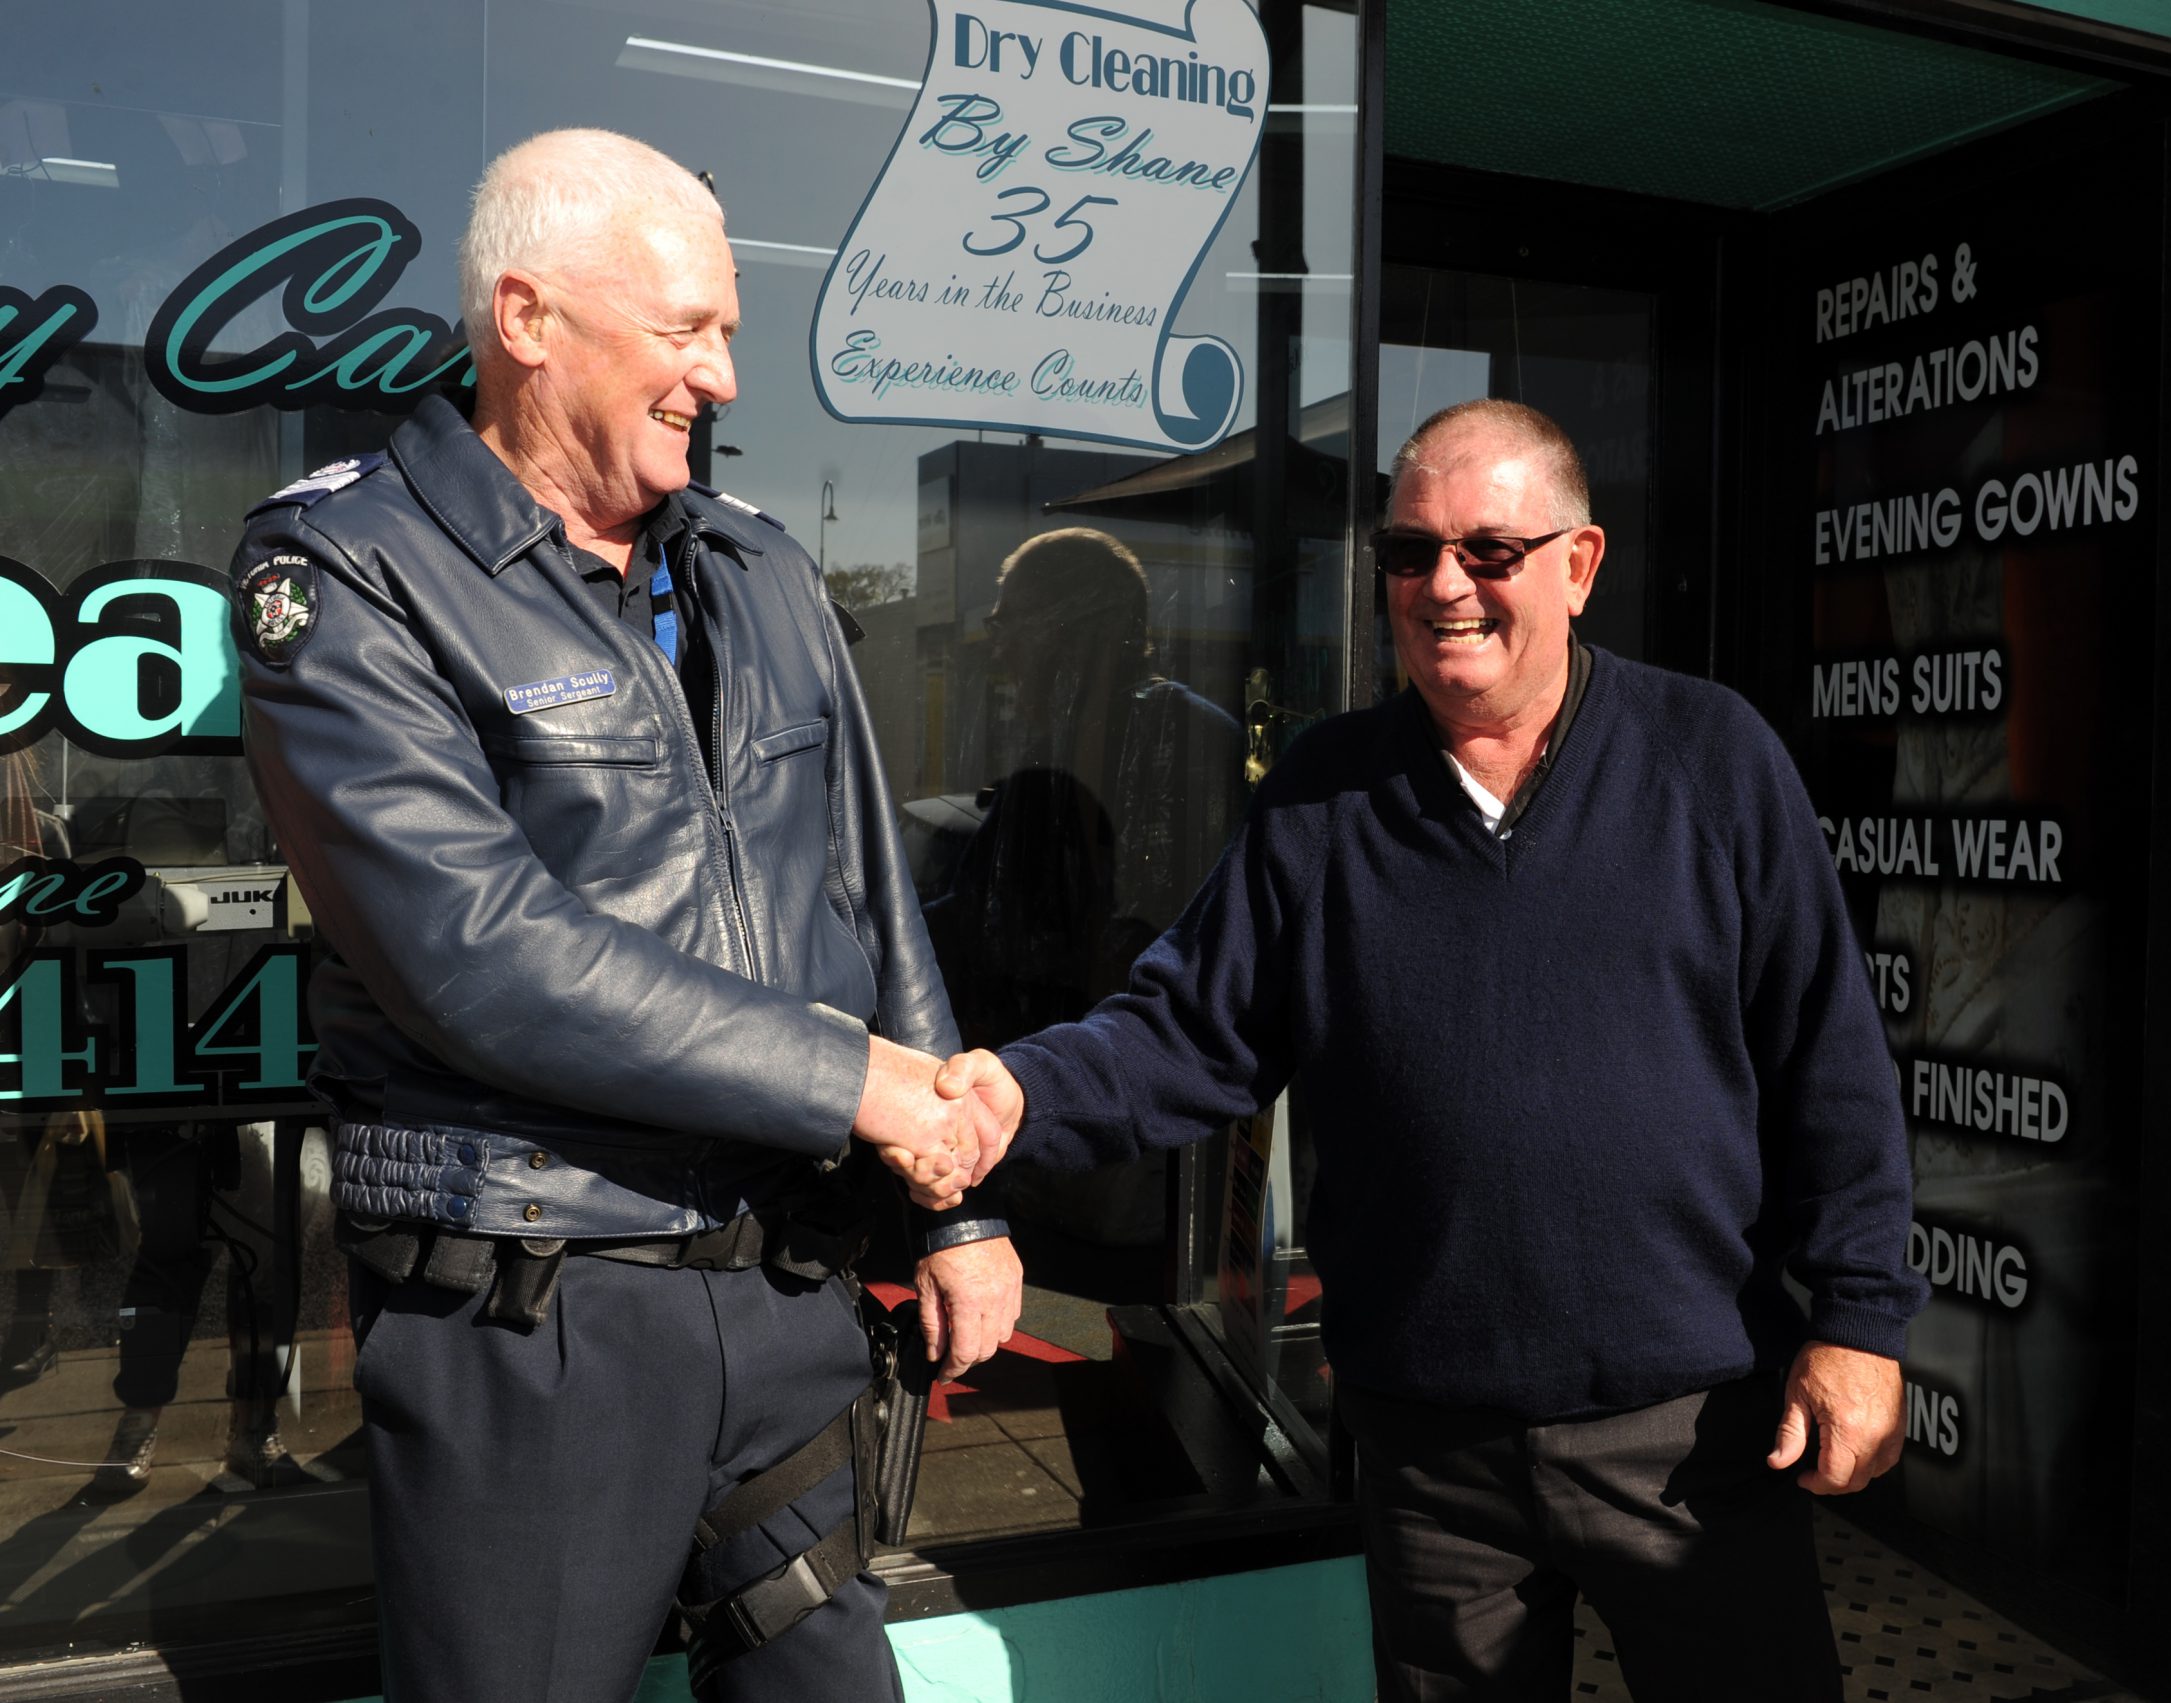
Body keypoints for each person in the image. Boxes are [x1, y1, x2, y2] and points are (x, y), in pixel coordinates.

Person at [940, 398, 1928, 1701]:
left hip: (1691, 1429)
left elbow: (1831, 1061)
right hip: (1431, 1450)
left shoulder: (1711, 758)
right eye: (1409, 553)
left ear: (1578, 564)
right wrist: (1009, 1093)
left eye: (1488, 551)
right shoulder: (1324, 792)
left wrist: (1859, 1322)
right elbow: (1187, 1029)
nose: (1444, 585)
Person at [229, 129, 1017, 1703]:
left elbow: (868, 882)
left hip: (782, 1291)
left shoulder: (759, 567)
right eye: (685, 330)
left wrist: (955, 1203)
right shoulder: (346, 565)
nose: (720, 375)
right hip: (539, 1308)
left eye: (726, 330)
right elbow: (482, 952)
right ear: (527, 318)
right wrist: (860, 1084)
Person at [929, 526, 1244, 1245]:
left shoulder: (1182, 740)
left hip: (1129, 1138)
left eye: (1009, 623)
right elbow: (979, 916)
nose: (1000, 650)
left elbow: (1175, 947)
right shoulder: (1051, 755)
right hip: (1038, 1114)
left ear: (1069, 627)